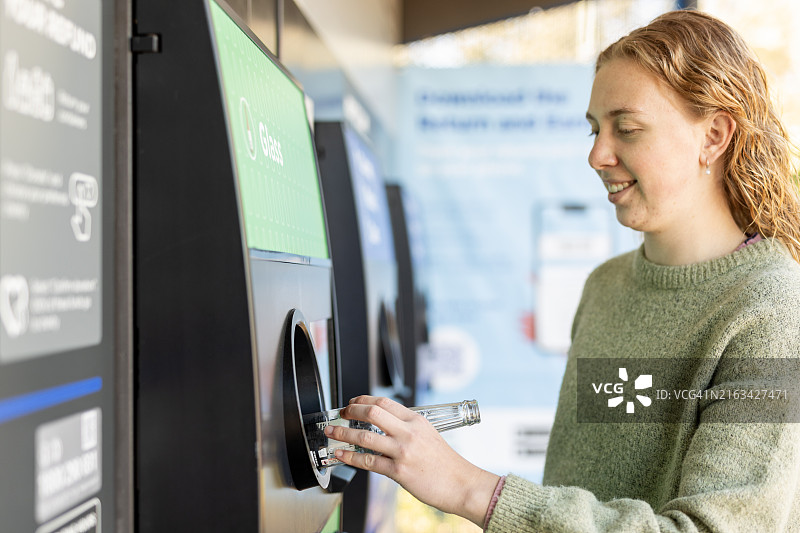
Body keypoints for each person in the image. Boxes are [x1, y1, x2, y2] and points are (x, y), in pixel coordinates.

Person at [325, 9, 800, 532]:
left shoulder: (774, 313)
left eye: (627, 128)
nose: (597, 154)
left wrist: (467, 487)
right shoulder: (607, 287)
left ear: (713, 135)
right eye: (595, 129)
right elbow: (585, 485)